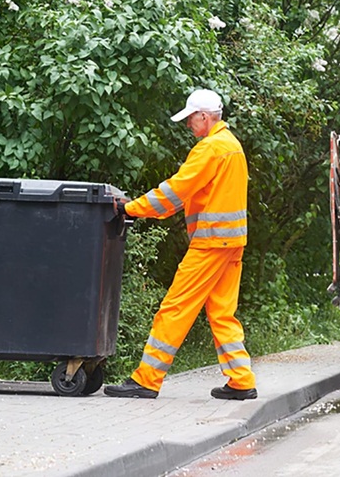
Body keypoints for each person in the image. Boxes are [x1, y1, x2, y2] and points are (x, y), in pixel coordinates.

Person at [104, 89, 257, 400]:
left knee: (175, 307)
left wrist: (130, 208)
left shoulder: (210, 148)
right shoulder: (232, 146)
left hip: (211, 243)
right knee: (222, 312)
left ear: (204, 116)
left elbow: (176, 191)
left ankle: (147, 378)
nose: (188, 125)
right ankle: (241, 380)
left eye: (190, 118)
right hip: (232, 243)